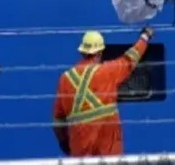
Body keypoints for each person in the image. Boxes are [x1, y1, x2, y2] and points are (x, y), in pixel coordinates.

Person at [52, 27, 153, 156]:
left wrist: (64, 143)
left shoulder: (65, 79)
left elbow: (57, 122)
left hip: (80, 148)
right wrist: (145, 37)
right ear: (100, 53)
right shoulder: (108, 71)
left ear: (82, 52)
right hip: (108, 148)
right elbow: (130, 59)